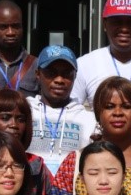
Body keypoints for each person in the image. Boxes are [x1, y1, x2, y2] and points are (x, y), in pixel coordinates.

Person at [25, 44, 95, 177]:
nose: (59, 80)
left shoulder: (90, 120)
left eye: (67, 74)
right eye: (51, 73)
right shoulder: (24, 112)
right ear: (38, 74)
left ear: (75, 76)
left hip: (72, 187)